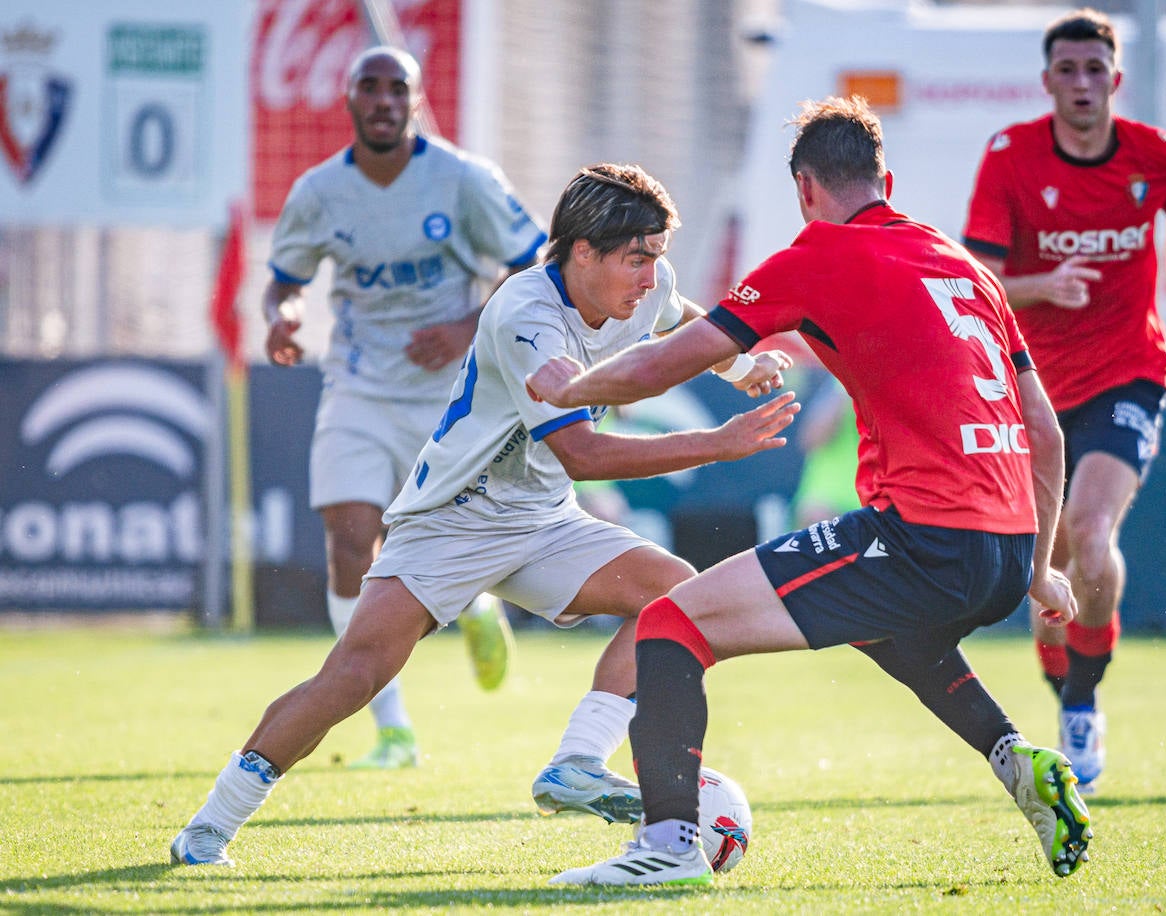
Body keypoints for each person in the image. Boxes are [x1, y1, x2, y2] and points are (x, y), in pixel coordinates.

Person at [529, 96, 1092, 886]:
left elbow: (664, 362)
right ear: (884, 179)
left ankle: (666, 847)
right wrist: (1037, 569)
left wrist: (566, 387)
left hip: (924, 538)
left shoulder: (817, 255)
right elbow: (1047, 429)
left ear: (804, 190)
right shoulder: (964, 266)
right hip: (1004, 551)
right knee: (898, 635)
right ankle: (1017, 762)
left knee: (669, 628)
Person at [169, 161, 799, 867]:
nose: (651, 275)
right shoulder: (525, 313)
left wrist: (739, 366)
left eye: (656, 256)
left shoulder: (642, 288)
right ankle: (209, 826)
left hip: (543, 518)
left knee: (677, 594)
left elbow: (678, 314)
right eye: (636, 259)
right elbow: (583, 454)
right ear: (581, 252)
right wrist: (714, 446)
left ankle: (577, 764)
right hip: (453, 518)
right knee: (355, 675)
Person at [261, 46, 546, 769]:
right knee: (351, 541)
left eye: (398, 89)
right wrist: (283, 316)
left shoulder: (463, 180)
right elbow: (285, 280)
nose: (384, 101)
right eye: (371, 88)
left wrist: (465, 327)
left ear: (416, 102)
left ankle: (476, 604)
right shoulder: (319, 191)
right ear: (351, 100)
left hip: (453, 396)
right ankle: (393, 729)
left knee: (455, 542)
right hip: (357, 385)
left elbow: (538, 265)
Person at [960, 7, 1166, 791]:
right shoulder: (1010, 156)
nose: (1081, 83)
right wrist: (1043, 285)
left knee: (1091, 528)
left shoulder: (1157, 154)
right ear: (1047, 82)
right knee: (1048, 564)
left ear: (1116, 79)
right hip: (1032, 385)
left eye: (1094, 70)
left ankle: (1081, 703)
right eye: (1066, 71)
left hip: (1128, 370)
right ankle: (1062, 686)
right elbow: (976, 281)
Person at [790, 370, 862, 527]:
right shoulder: (842, 379)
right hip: (828, 501)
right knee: (818, 518)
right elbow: (811, 438)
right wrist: (847, 388)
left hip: (882, 503)